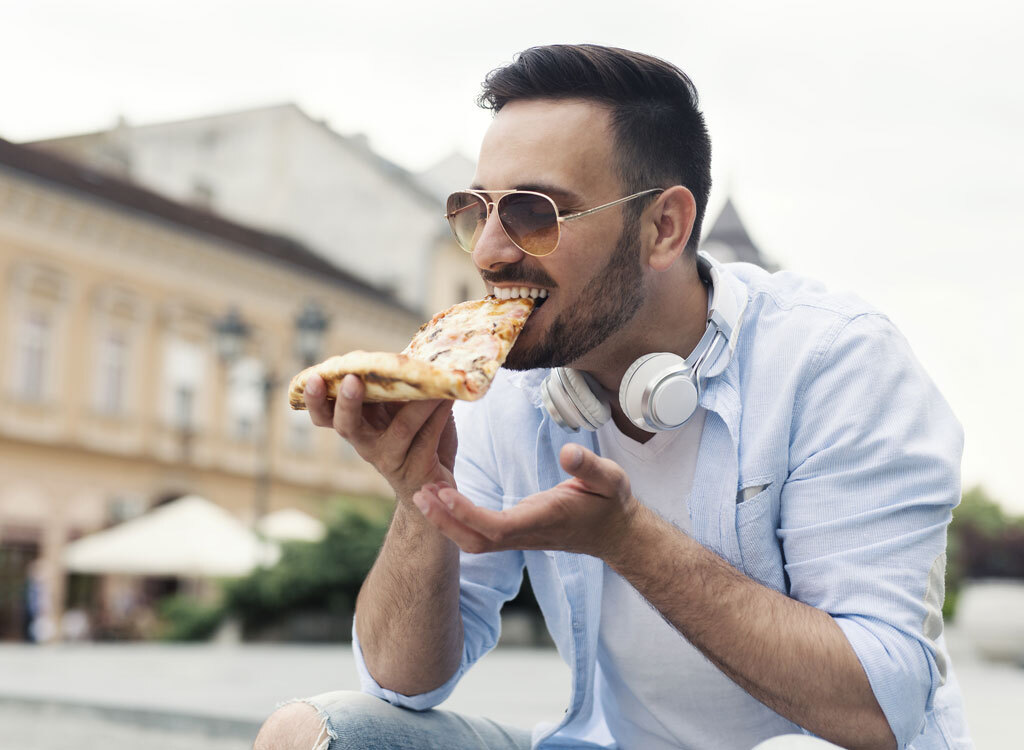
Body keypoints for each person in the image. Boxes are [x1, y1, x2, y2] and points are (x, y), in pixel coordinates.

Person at [256, 44, 971, 749]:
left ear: (664, 227)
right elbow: (402, 683)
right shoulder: (510, 383)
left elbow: (882, 710)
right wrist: (420, 493)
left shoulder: (832, 364)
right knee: (306, 734)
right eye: (476, 210)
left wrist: (628, 541)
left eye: (535, 213)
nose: (487, 252)